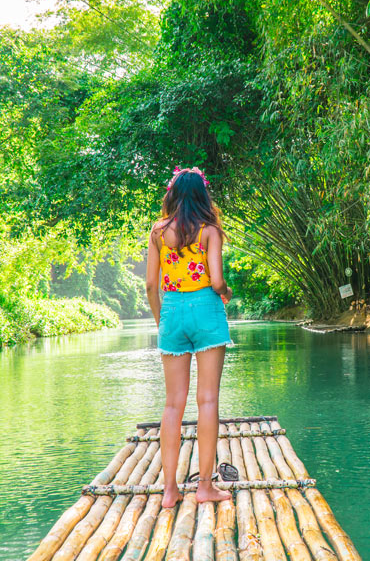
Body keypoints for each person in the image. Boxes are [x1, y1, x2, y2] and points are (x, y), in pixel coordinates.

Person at [145, 165, 234, 508]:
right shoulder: (209, 231)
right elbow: (216, 281)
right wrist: (225, 291)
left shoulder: (157, 232)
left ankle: (169, 491)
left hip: (172, 313)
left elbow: (152, 285)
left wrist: (161, 321)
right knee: (207, 400)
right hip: (206, 310)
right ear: (202, 196)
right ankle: (205, 488)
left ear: (172, 196)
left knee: (173, 404)